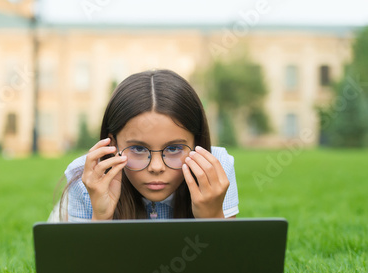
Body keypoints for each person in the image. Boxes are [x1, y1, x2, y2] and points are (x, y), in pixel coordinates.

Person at [52, 69, 238, 222]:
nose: (156, 167)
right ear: (113, 145)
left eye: (173, 149)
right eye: (138, 149)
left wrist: (212, 217)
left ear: (197, 143)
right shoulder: (87, 178)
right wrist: (101, 217)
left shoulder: (216, 168)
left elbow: (225, 264)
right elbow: (84, 265)